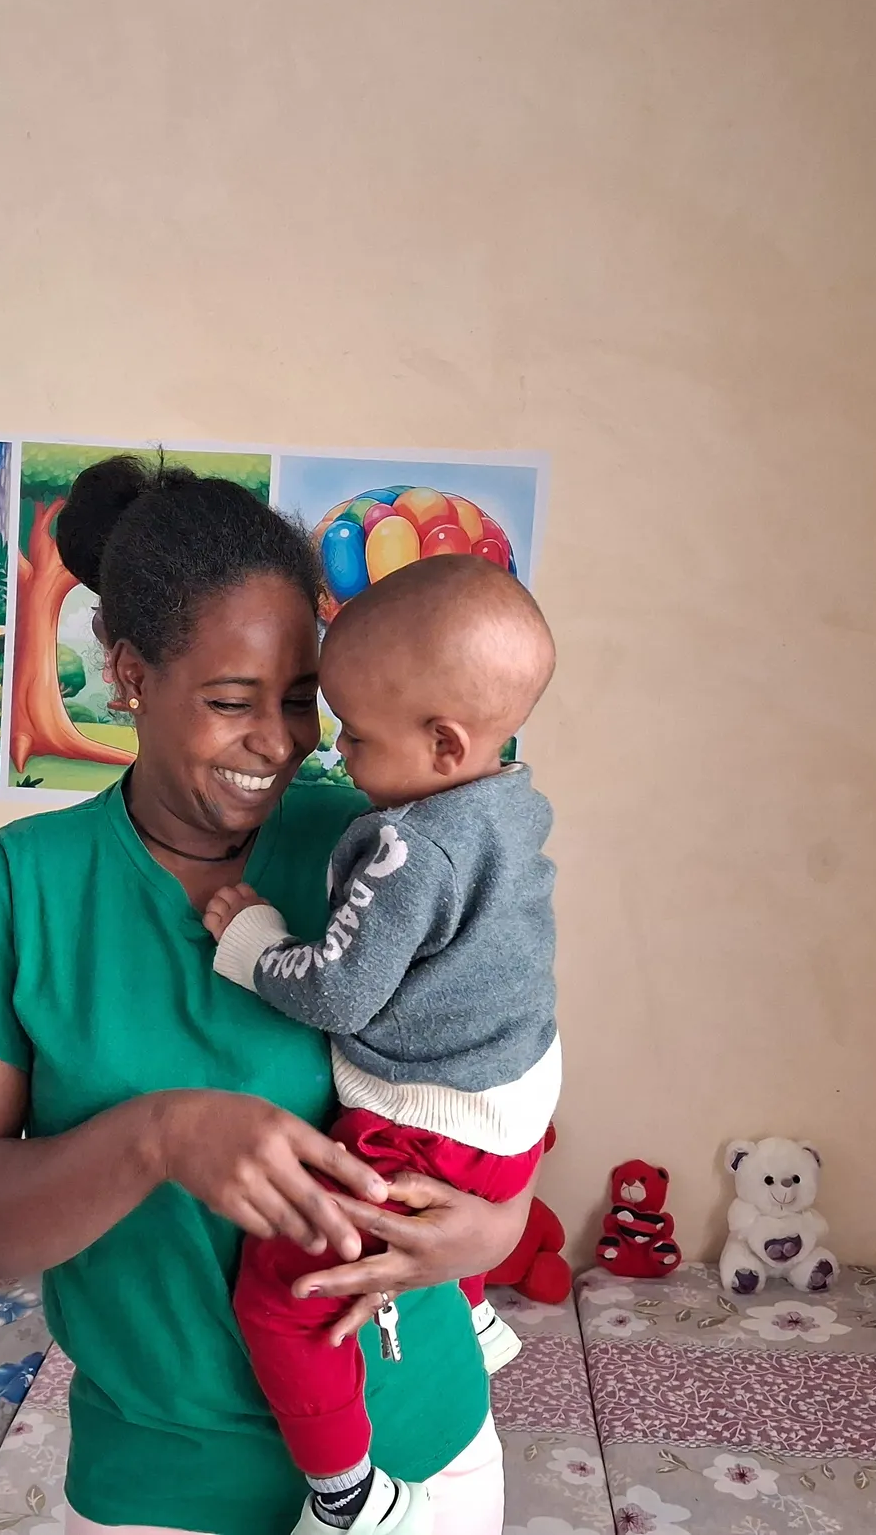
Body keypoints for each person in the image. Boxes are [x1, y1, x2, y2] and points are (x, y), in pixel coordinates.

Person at [0, 456, 534, 1535]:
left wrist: (491, 1232)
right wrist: (160, 1138)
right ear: (131, 676)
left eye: (301, 701)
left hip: (424, 1455)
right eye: (232, 702)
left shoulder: (376, 848)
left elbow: (500, 1070)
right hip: (167, 1487)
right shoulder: (25, 885)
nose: (279, 743)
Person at [203, 556, 559, 1535]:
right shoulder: (513, 801)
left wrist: (254, 945)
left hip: (429, 1123)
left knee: (284, 1296)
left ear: (443, 743)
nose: (336, 751)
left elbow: (339, 988)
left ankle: (349, 1494)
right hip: (517, 1103)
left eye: (354, 734)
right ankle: (472, 1310)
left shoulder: (410, 847)